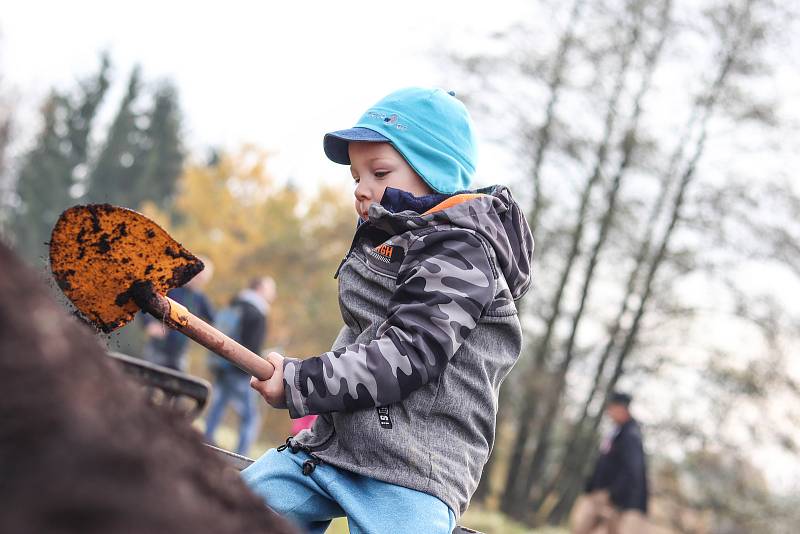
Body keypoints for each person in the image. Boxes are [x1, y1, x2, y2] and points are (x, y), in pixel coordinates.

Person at [242, 87, 534, 534]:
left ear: (433, 172)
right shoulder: (388, 240)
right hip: (331, 449)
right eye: (356, 176)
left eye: (379, 172)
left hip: (412, 470)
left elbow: (405, 355)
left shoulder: (461, 253)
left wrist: (301, 381)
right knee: (227, 509)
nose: (362, 189)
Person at [204, 277, 277, 456]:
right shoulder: (257, 312)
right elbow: (251, 346)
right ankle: (241, 455)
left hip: (221, 363)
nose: (273, 294)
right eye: (270, 289)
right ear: (260, 289)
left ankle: (205, 440)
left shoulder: (235, 303)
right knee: (251, 417)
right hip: (239, 370)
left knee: (218, 404)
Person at [572, 392, 649, 534]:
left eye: (611, 408)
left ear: (621, 409)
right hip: (601, 493)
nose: (608, 412)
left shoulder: (631, 435)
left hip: (615, 500)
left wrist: (612, 494)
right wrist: (591, 486)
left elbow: (632, 469)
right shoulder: (616, 432)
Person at [140, 257, 215, 372]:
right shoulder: (171, 287)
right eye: (198, 276)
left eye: (203, 278)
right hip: (159, 347)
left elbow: (214, 320)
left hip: (180, 353)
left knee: (177, 384)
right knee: (148, 379)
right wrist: (149, 324)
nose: (199, 280)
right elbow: (145, 301)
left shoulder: (200, 298)